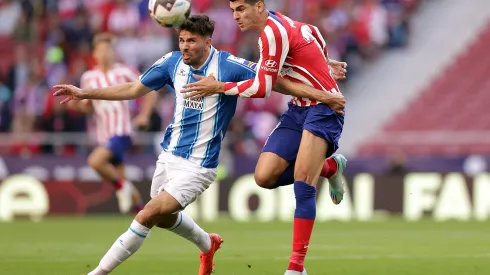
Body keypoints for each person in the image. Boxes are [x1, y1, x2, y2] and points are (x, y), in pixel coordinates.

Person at [53, 15, 345, 275]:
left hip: (198, 166)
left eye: (192, 41)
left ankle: (99, 271)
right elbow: (133, 88)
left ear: (207, 41)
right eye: (181, 40)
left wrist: (318, 87)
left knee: (145, 214)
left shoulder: (228, 66)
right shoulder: (170, 63)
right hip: (168, 158)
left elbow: (272, 81)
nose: (185, 46)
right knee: (164, 218)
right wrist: (83, 93)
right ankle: (208, 243)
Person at [180, 1, 348, 274]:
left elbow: (262, 88)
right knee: (264, 177)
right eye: (234, 10)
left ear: (259, 6)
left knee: (303, 184)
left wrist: (218, 87)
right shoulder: (282, 25)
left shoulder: (272, 33)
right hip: (297, 110)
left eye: (242, 9)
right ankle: (330, 167)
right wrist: (325, 64)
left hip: (324, 110)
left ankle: (296, 268)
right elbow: (313, 34)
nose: (236, 16)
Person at [68, 33, 145, 214]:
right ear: (94, 54)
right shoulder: (88, 77)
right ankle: (142, 216)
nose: (104, 53)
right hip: (104, 135)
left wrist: (144, 115)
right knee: (124, 182)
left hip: (122, 131)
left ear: (113, 52)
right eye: (101, 50)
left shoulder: (125, 71)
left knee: (95, 161)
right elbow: (88, 107)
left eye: (108, 49)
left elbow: (150, 90)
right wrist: (76, 105)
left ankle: (122, 188)